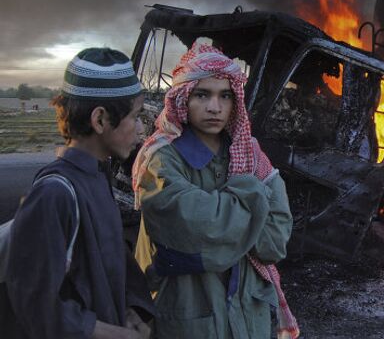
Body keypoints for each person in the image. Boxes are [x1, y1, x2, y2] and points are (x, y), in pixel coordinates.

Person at [131, 42, 299, 338]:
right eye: (202, 94)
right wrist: (251, 194)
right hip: (192, 323)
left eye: (225, 96)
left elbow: (273, 244)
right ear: (183, 99)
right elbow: (200, 233)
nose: (214, 107)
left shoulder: (252, 156)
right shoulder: (162, 161)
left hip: (248, 322)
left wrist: (231, 222)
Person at [5, 48, 155, 338]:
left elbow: (100, 272)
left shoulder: (98, 176)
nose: (141, 130)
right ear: (100, 120)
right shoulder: (54, 194)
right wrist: (111, 333)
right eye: (135, 117)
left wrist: (128, 310)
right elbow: (33, 304)